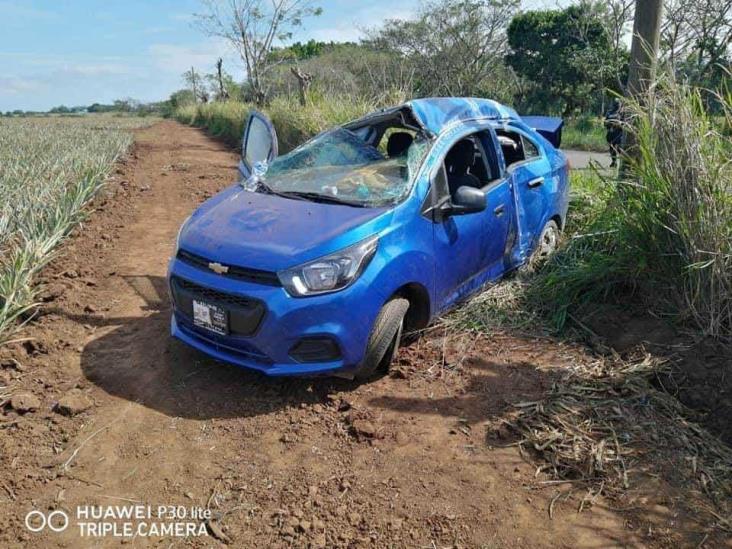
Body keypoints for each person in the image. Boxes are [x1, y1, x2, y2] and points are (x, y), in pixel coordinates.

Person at [604, 98, 623, 168]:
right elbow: (605, 123)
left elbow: (624, 123)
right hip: (611, 133)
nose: (617, 106)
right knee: (612, 148)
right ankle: (614, 162)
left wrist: (619, 124)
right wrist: (610, 125)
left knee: (619, 149)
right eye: (616, 104)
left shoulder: (621, 113)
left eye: (618, 104)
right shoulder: (609, 112)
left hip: (619, 133)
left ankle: (622, 163)